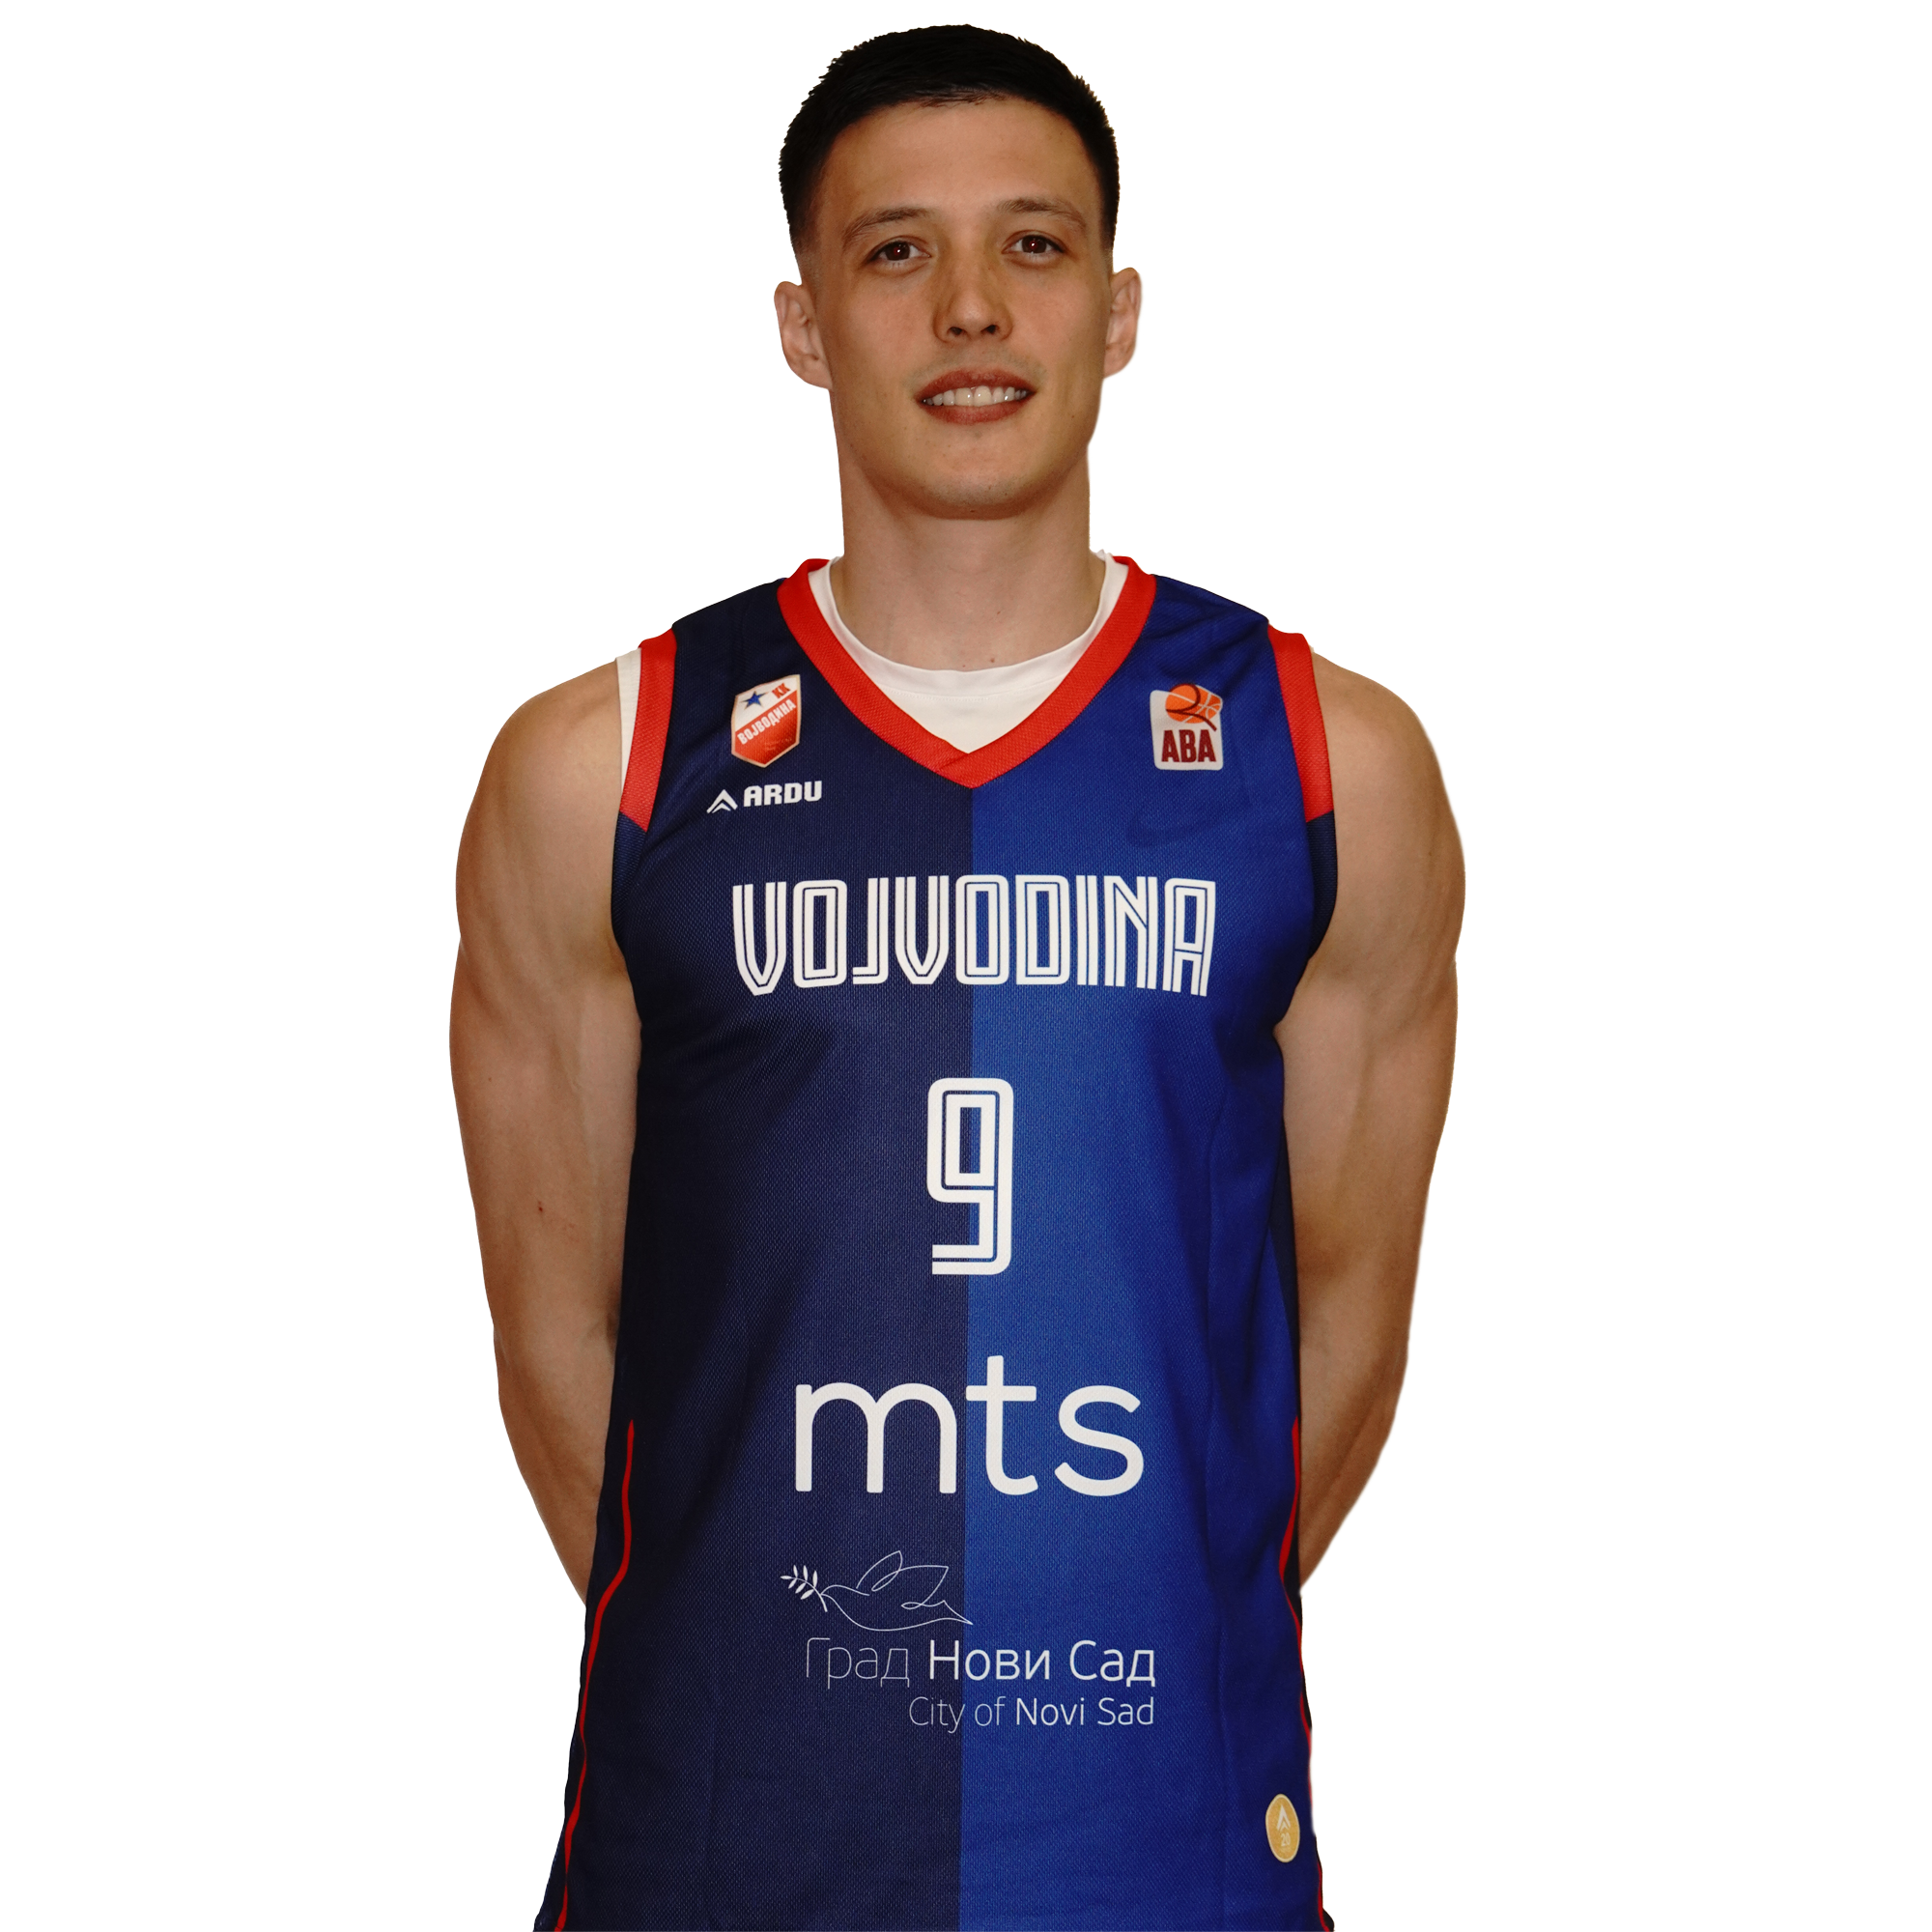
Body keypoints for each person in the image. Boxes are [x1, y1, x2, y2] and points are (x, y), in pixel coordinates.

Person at [451, 23, 1462, 1930]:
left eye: (1036, 245)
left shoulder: (1327, 763)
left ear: (1121, 311)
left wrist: (1110, 1646)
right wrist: (808, 1669)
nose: (972, 308)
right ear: (804, 323)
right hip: (728, 1842)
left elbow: (1341, 1321)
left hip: (1159, 1839)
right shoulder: (606, 767)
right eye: (897, 250)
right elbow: (560, 1344)